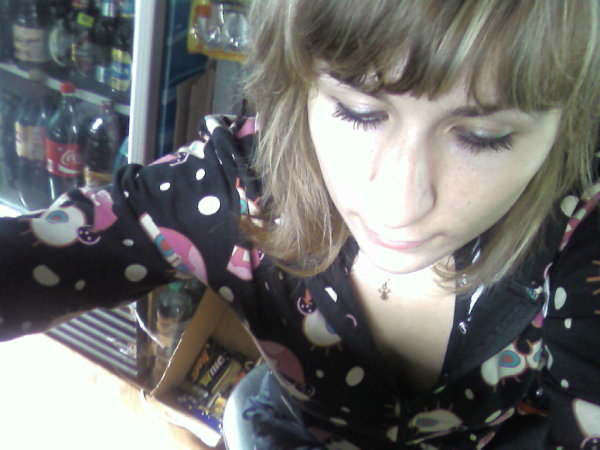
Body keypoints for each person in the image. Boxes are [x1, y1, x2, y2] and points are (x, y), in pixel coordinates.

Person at [1, 0, 599, 448]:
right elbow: (38, 255)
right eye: (358, 112)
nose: (401, 204)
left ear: (567, 126)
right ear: (301, 85)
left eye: (483, 137)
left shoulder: (580, 235)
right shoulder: (238, 185)